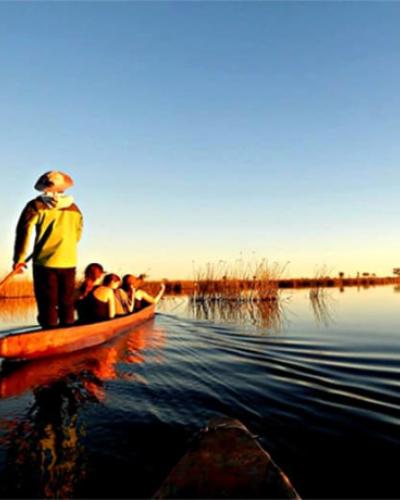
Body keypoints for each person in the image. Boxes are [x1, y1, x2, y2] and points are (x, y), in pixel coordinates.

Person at [13, 171, 83, 329]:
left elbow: (23, 232)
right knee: (66, 302)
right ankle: (68, 332)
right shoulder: (74, 208)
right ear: (63, 188)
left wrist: (19, 259)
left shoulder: (35, 206)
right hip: (69, 261)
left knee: (47, 303)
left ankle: (50, 332)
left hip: (44, 262)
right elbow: (78, 235)